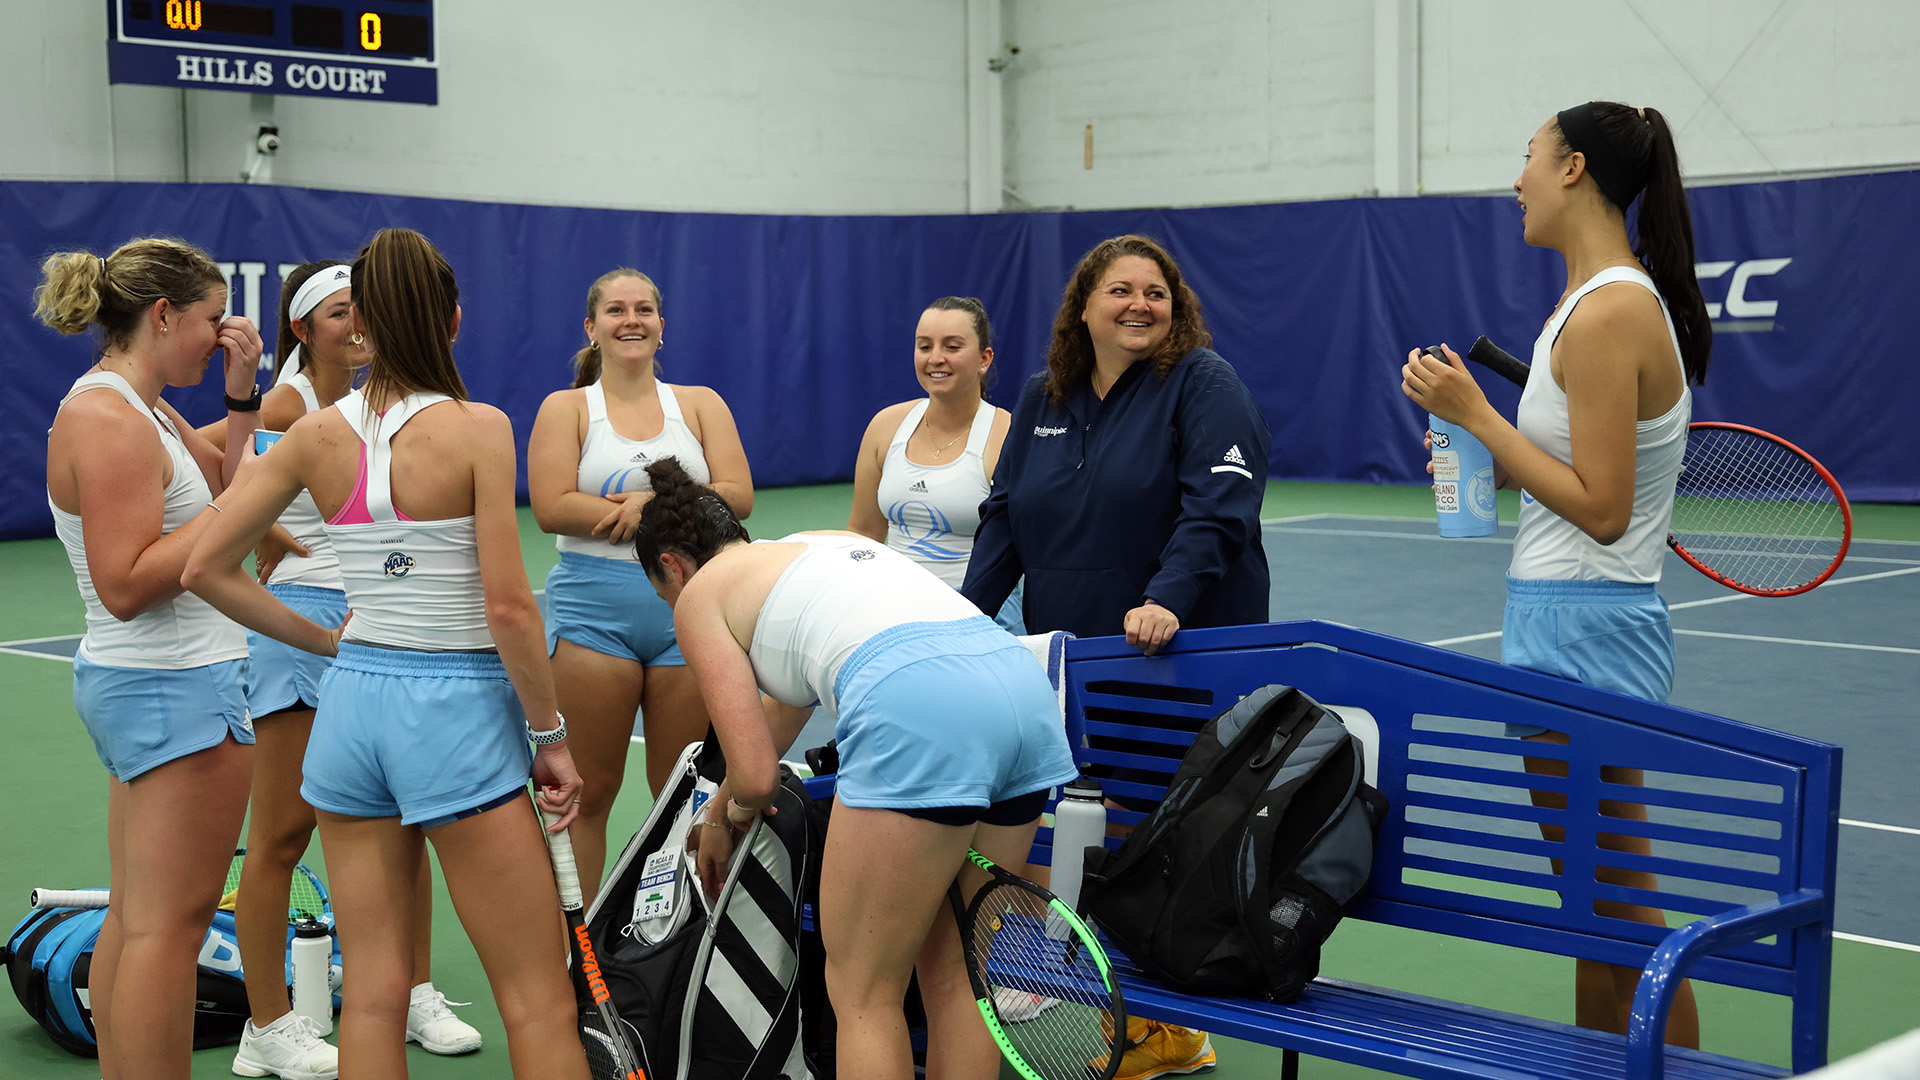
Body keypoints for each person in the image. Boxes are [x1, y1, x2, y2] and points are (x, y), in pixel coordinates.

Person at [183, 227, 589, 1079]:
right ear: (452, 320)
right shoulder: (479, 427)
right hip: (453, 716)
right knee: (538, 997)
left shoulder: (313, 435)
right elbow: (511, 608)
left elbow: (205, 567)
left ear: (362, 322)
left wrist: (332, 641)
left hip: (353, 709)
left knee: (369, 990)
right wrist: (549, 737)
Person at [1399, 100, 1709, 1046]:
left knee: (1625, 916)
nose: (1517, 178)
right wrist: (1480, 457)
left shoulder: (1613, 309)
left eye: (1527, 157)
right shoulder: (1585, 304)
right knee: (1594, 911)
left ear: (1574, 168)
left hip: (1590, 631)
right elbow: (1571, 481)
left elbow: (1606, 509)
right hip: (1557, 620)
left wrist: (1480, 416)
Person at [632, 458, 1077, 1080]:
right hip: (1023, 702)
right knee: (962, 974)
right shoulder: (820, 546)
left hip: (921, 711)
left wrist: (724, 818)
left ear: (674, 567)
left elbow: (758, 777)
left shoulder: (702, 597)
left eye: (664, 592)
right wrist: (719, 807)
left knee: (865, 994)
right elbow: (780, 711)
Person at [961, 235, 1271, 1079]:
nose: (1141, 304)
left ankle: (1167, 1027)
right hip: (1078, 665)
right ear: (1084, 309)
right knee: (1076, 835)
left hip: (1179, 656)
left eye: (1157, 291)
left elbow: (1221, 504)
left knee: (1149, 839)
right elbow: (1006, 518)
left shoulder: (1201, 383)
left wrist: (1168, 598)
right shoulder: (1040, 397)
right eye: (1121, 291)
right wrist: (957, 620)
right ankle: (1119, 1004)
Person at [225, 260, 480, 1080]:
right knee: (280, 834)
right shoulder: (288, 406)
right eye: (340, 314)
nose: (358, 326)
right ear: (303, 330)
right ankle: (265, 1024)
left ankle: (412, 991)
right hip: (304, 626)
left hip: (376, 623)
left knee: (406, 820)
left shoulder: (389, 404)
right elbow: (232, 489)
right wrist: (244, 504)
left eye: (361, 311)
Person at [37, 237, 264, 1080]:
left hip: (157, 684)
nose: (222, 335)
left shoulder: (150, 408)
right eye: (210, 321)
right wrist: (242, 513)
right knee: (169, 933)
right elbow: (128, 583)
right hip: (174, 686)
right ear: (163, 315)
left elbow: (222, 477)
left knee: (141, 922)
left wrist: (242, 396)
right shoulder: (107, 418)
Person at [527, 266, 753, 902]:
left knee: (681, 794)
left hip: (692, 612)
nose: (632, 320)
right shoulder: (567, 409)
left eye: (645, 309)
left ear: (662, 327)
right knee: (587, 792)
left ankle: (675, 950)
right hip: (595, 615)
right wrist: (655, 507)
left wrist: (652, 502)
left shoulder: (701, 404)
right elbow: (550, 504)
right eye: (616, 310)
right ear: (591, 328)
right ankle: (572, 958)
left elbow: (739, 494)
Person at [847, 296, 1012, 594]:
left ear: (984, 359)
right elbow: (863, 532)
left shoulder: (1008, 434)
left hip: (982, 616)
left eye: (952, 346)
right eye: (925, 346)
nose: (935, 358)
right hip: (895, 607)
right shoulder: (885, 426)